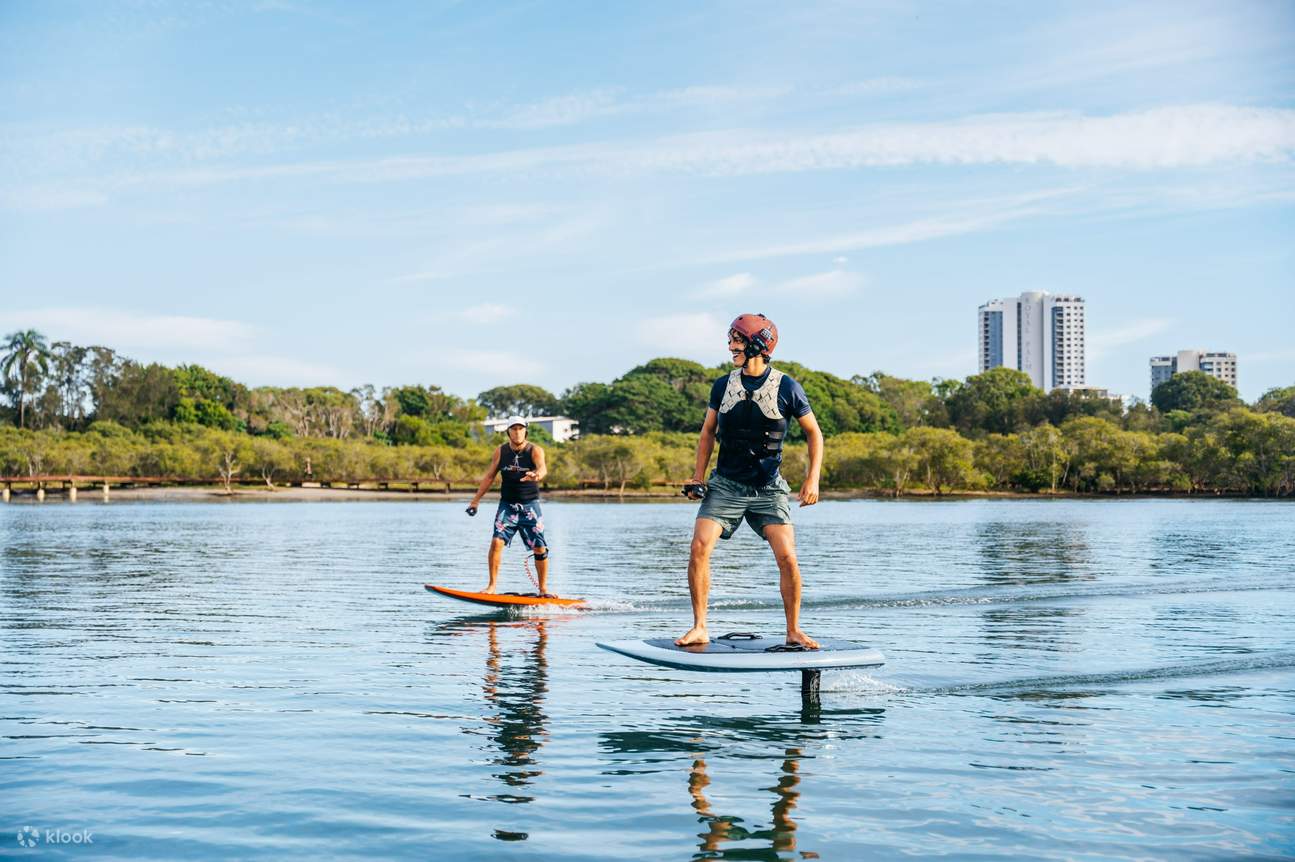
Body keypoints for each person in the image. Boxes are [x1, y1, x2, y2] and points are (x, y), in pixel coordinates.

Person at [676, 314, 823, 648]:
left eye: (737, 341)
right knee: (699, 547)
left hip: (768, 488)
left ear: (758, 344)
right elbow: (708, 432)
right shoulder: (722, 385)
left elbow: (815, 434)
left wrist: (812, 480)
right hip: (726, 484)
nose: (731, 347)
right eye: (731, 340)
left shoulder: (787, 387)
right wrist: (698, 477)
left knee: (787, 557)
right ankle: (699, 626)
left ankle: (793, 630)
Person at [466, 416, 551, 595]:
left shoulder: (535, 450)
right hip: (507, 506)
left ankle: (543, 590)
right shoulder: (501, 451)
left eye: (520, 428)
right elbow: (489, 476)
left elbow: (542, 468)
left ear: (525, 431)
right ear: (508, 432)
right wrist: (476, 500)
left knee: (539, 547)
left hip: (530, 506)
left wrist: (536, 475)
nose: (517, 432)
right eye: (514, 429)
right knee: (496, 542)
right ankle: (491, 586)